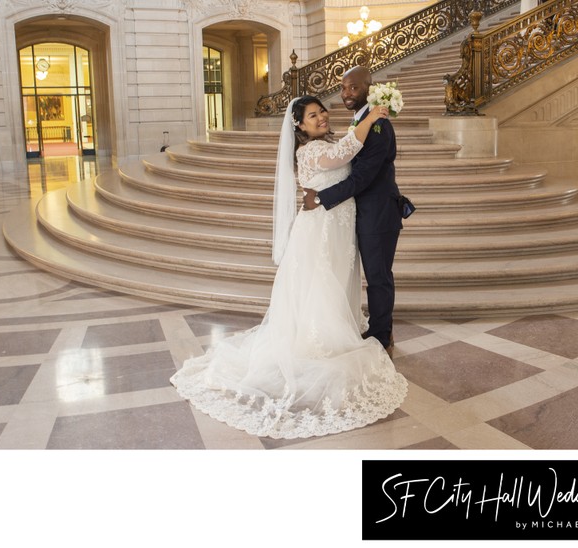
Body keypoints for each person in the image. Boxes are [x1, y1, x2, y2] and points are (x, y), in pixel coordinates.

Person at [170, 96, 407, 439]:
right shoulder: (308, 151)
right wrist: (369, 119)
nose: (322, 117)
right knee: (321, 280)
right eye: (313, 115)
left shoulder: (326, 140)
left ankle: (341, 321)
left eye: (322, 111)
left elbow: (346, 152)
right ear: (299, 125)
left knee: (338, 277)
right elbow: (343, 156)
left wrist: (363, 123)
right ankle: (319, 335)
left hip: (340, 224)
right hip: (322, 227)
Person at [302, 66, 402, 353]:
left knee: (378, 278)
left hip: (379, 213)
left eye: (353, 88)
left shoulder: (379, 127)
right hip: (362, 213)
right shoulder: (363, 122)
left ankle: (382, 337)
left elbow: (361, 179)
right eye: (343, 88)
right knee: (371, 275)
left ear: (369, 89)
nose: (346, 93)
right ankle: (375, 330)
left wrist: (321, 199)